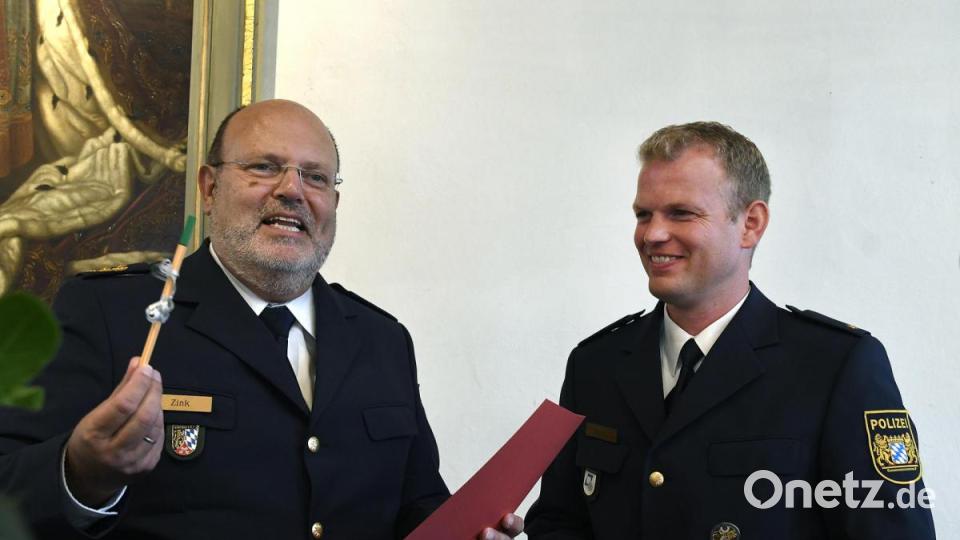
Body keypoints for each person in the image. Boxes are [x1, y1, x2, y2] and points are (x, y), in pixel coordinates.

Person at [0, 99, 523, 540]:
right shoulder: (112, 314)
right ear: (209, 188)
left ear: (332, 203)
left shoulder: (382, 339)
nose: (292, 190)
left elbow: (416, 502)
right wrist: (80, 474)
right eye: (265, 167)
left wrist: (465, 531)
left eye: (314, 176)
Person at [525, 122, 936, 539]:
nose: (652, 234)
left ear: (751, 223)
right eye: (643, 215)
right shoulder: (596, 365)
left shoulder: (834, 367)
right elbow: (561, 522)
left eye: (680, 213)